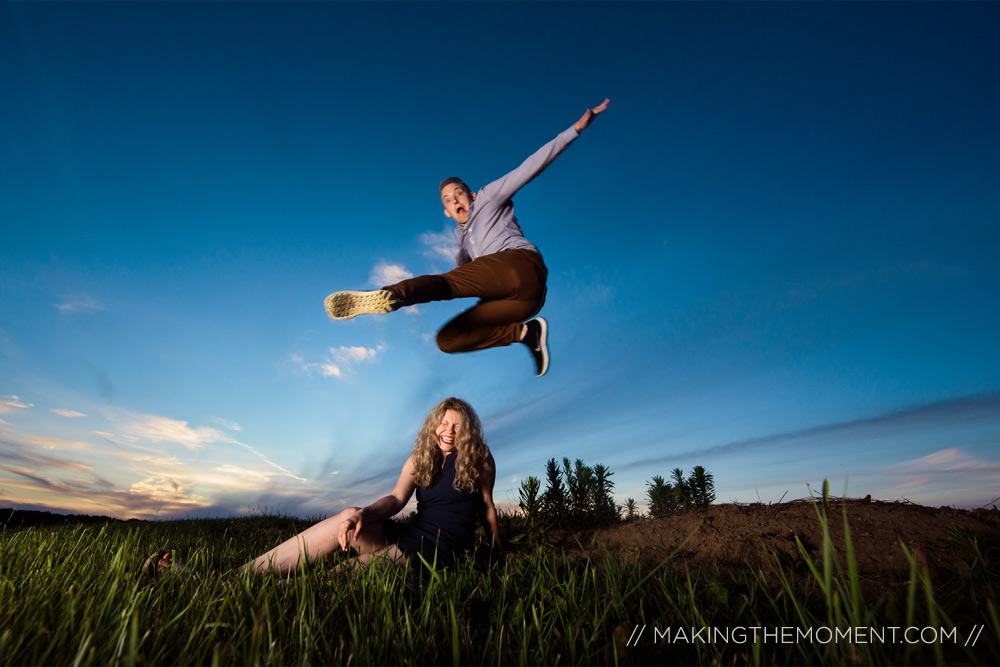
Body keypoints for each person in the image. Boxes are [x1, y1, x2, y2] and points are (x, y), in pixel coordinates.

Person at [325, 99, 610, 377]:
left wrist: (575, 129)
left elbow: (529, 167)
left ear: (471, 195)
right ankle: (527, 333)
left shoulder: (488, 198)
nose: (455, 200)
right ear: (447, 212)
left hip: (520, 265)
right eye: (449, 200)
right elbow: (463, 275)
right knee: (448, 339)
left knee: (447, 283)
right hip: (525, 304)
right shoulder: (461, 241)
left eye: (459, 193)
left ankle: (391, 295)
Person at [145, 398, 502, 578]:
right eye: (443, 422)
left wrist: (498, 550)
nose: (448, 430)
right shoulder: (419, 460)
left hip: (444, 550)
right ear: (433, 425)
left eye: (456, 425)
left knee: (339, 578)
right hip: (412, 534)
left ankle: (213, 588)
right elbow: (395, 500)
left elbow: (487, 507)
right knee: (348, 516)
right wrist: (361, 514)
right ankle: (234, 576)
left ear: (466, 429)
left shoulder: (480, 459)